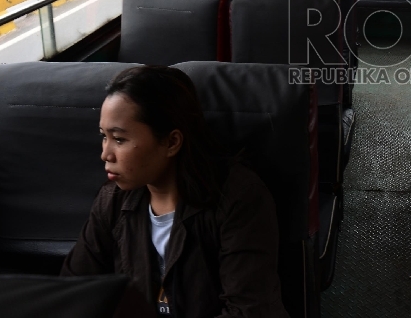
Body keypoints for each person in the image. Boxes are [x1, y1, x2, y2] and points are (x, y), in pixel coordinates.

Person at [62, 66, 288, 318]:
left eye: (119, 139)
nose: (105, 154)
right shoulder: (112, 200)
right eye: (104, 136)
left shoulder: (238, 199)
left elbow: (249, 311)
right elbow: (74, 292)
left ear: (171, 142)